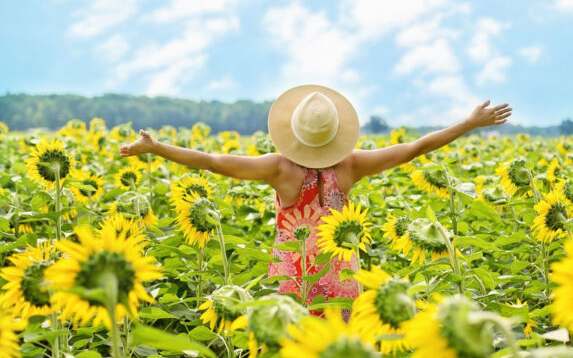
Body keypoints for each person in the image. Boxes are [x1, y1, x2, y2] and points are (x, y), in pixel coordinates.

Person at [120, 84, 511, 310]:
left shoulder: (280, 169)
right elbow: (414, 148)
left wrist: (159, 148)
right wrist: (468, 124)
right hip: (342, 278)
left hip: (297, 280)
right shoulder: (352, 165)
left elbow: (212, 161)